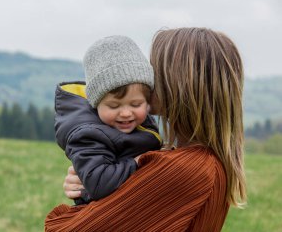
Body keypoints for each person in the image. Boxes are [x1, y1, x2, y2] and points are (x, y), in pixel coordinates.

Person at [45, 27, 247, 231]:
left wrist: (87, 196)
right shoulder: (200, 161)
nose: (144, 81)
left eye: (153, 71)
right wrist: (92, 184)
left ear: (177, 83)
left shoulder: (187, 169)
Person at [54, 35, 162, 205]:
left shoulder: (137, 124)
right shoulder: (88, 135)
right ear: (96, 104)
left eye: (136, 104)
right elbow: (99, 184)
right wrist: (142, 161)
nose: (126, 113)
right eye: (113, 106)